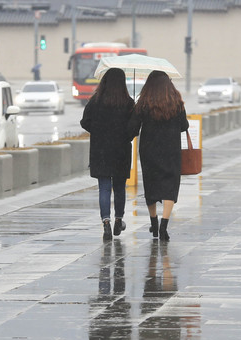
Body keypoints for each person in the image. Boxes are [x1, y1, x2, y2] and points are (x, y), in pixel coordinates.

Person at [128, 70, 189, 241]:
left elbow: (133, 128)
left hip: (149, 150)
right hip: (171, 150)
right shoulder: (176, 102)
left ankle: (153, 223)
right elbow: (184, 125)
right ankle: (164, 226)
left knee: (151, 185)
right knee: (170, 186)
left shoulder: (144, 102)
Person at [80, 67, 135, 241]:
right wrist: (126, 136)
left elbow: (85, 122)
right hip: (121, 151)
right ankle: (119, 220)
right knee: (119, 187)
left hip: (100, 150)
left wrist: (98, 132)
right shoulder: (128, 102)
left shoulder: (95, 101)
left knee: (104, 188)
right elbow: (133, 127)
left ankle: (106, 224)